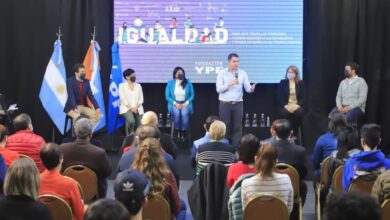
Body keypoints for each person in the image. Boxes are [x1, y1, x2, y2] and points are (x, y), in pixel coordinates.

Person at [131, 138, 186, 220]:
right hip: (163, 216)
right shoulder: (168, 175)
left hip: (138, 217)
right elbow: (176, 207)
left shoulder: (131, 175)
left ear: (139, 152)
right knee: (183, 206)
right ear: (160, 153)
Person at [60, 118, 112, 198]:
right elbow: (108, 172)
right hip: (94, 196)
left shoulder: (63, 149)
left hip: (69, 194)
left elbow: (59, 171)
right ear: (91, 134)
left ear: (75, 132)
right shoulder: (99, 153)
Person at [216, 53, 256, 148]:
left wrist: (252, 89)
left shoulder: (242, 73)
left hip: (238, 104)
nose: (236, 63)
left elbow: (247, 89)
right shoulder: (222, 73)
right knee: (225, 126)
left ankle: (236, 149)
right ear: (229, 62)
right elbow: (218, 89)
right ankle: (225, 147)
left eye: (238, 61)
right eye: (234, 61)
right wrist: (229, 84)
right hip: (225, 104)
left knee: (237, 127)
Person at [241, 144, 294, 214]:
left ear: (256, 159)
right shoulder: (286, 180)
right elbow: (288, 210)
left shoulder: (246, 184)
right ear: (276, 162)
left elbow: (246, 211)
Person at [39, 143, 83, 220]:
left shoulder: (34, 181)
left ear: (41, 161)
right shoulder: (70, 184)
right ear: (61, 159)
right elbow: (79, 214)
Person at [342, 124, 390, 191]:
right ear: (379, 141)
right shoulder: (388, 165)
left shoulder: (350, 164)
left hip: (355, 201)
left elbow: (345, 190)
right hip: (379, 201)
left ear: (362, 141)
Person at [271, 119, 307, 204]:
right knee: (303, 186)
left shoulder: (268, 149)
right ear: (291, 133)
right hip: (293, 189)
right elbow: (303, 173)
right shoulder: (300, 151)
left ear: (274, 132)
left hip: (272, 188)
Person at [312, 112, 347, 182]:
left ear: (331, 124)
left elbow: (315, 161)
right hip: (347, 177)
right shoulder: (353, 138)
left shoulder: (322, 139)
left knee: (316, 173)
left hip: (328, 178)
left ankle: (321, 192)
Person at [165, 67, 195, 142]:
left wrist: (186, 103)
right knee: (177, 113)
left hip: (186, 103)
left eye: (182, 73)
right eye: (178, 73)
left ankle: (183, 132)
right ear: (175, 74)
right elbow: (167, 96)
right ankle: (178, 131)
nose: (180, 74)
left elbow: (192, 95)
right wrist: (175, 103)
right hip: (174, 104)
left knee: (184, 113)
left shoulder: (188, 82)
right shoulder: (170, 83)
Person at [277, 65, 306, 135]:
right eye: (288, 72)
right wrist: (286, 106)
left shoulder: (301, 83)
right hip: (286, 106)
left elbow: (303, 97)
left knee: (299, 113)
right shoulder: (283, 82)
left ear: (296, 74)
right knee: (284, 113)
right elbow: (279, 96)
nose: (289, 74)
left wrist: (296, 106)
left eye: (292, 72)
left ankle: (293, 132)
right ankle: (285, 133)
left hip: (296, 106)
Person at [119, 68, 144, 134]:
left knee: (141, 123)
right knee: (131, 121)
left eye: (135, 75)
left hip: (137, 108)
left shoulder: (138, 86)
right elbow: (123, 99)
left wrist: (136, 107)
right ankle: (131, 134)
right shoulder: (121, 86)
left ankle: (138, 136)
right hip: (126, 108)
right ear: (127, 77)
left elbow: (141, 99)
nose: (134, 77)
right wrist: (131, 108)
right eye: (132, 75)